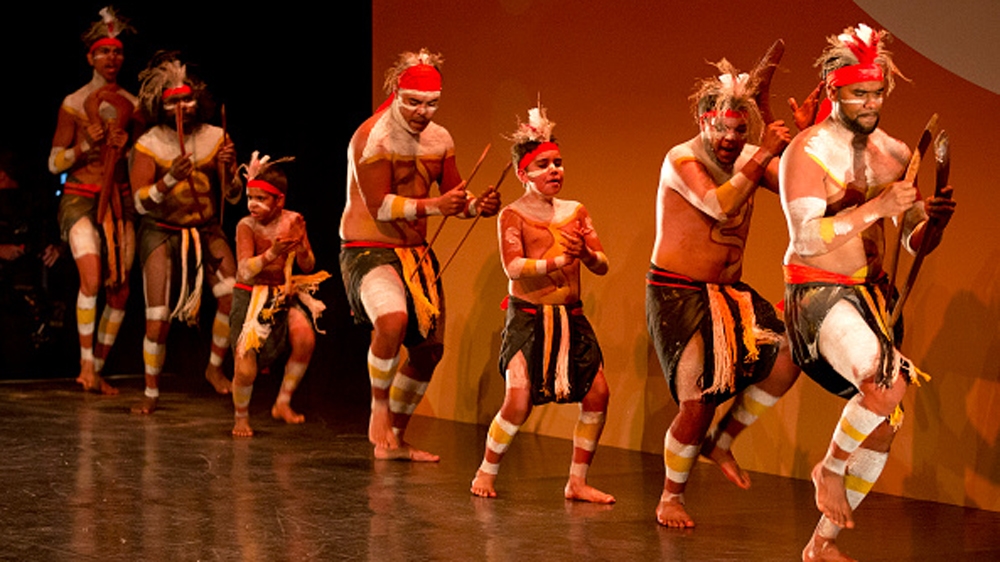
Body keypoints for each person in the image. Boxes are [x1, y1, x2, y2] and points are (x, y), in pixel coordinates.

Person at [779, 24, 955, 562]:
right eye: (860, 93)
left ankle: (821, 545)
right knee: (886, 381)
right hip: (817, 293)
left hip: (870, 300)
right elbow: (806, 238)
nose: (871, 103)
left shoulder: (895, 153)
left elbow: (912, 240)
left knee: (881, 425)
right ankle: (828, 469)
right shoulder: (806, 152)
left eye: (877, 93)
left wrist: (932, 224)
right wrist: (877, 207)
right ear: (835, 91)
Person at [646, 57, 800, 528]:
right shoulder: (682, 159)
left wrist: (805, 139)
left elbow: (798, 189)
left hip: (729, 293)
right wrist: (763, 153)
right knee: (697, 402)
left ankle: (723, 441)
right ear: (703, 121)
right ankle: (670, 497)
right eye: (722, 128)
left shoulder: (751, 155)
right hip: (678, 293)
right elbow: (719, 205)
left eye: (739, 129)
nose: (731, 139)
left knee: (789, 357)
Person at [339, 49, 501, 461]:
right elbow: (379, 206)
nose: (421, 112)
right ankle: (378, 407)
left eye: (431, 104)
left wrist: (476, 207)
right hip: (369, 249)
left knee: (429, 351)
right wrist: (437, 206)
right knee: (392, 319)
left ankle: (394, 439)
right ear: (396, 93)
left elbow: (454, 197)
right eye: (413, 102)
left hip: (415, 253)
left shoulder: (440, 139)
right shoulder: (371, 137)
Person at [469, 104, 614, 503]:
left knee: (598, 394)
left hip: (571, 317)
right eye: (543, 165)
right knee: (518, 401)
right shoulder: (512, 215)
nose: (554, 171)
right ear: (523, 174)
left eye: (558, 163)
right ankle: (486, 471)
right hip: (528, 319)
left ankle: (577, 481)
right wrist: (558, 261)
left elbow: (602, 264)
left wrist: (585, 255)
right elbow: (514, 267)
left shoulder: (576, 211)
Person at [130, 52, 242, 414]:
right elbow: (140, 204)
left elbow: (232, 196)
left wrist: (231, 172)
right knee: (158, 317)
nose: (182, 108)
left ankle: (214, 367)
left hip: (206, 229)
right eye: (173, 102)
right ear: (161, 106)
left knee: (232, 298)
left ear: (198, 101)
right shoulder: (148, 144)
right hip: (161, 232)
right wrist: (168, 180)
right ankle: (151, 390)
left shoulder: (216, 137)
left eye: (187, 100)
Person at [48, 7, 137, 394]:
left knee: (120, 289)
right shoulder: (74, 102)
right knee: (92, 278)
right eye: (104, 52)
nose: (111, 58)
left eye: (117, 52)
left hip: (119, 199)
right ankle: (85, 364)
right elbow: (53, 163)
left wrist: (127, 148)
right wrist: (85, 146)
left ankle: (96, 368)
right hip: (80, 197)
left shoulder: (133, 104)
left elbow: (139, 163)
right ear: (90, 57)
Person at [230, 151, 328, 437]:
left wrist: (301, 246)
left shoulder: (293, 221)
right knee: (245, 367)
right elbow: (244, 270)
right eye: (250, 198)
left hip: (281, 295)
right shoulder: (246, 226)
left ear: (279, 200)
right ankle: (240, 418)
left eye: (261, 198)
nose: (253, 204)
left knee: (305, 338)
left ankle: (282, 402)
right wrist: (272, 252)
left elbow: (308, 265)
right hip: (250, 296)